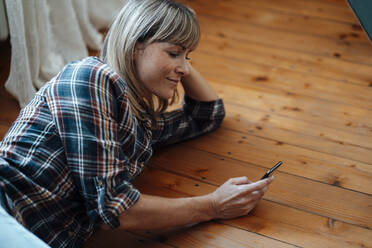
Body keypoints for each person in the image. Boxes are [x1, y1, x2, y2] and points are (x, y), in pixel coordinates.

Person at [0, 0, 274, 247]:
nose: (185, 68)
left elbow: (207, 114)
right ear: (134, 46)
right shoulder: (89, 77)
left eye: (188, 56)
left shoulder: (139, 123)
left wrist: (179, 47)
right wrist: (213, 205)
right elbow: (114, 208)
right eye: (174, 53)